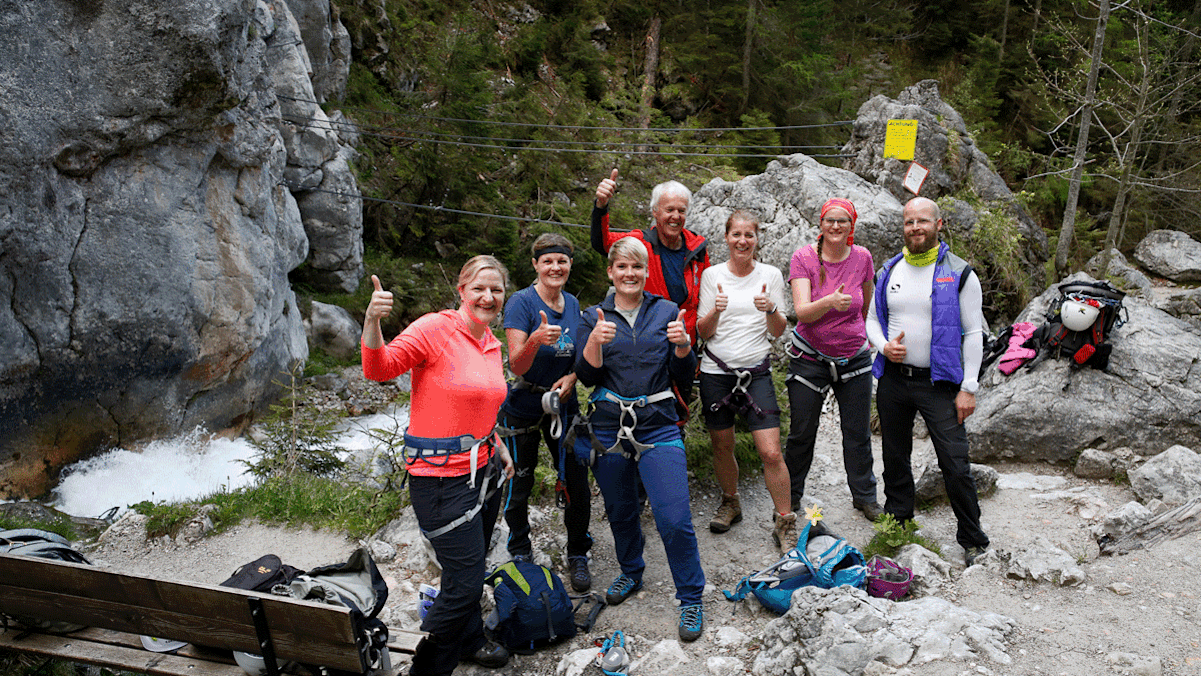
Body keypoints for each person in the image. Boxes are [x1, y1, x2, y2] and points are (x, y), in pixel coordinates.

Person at [361, 256, 516, 676]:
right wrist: (373, 322)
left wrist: (496, 442)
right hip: (441, 482)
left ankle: (468, 641)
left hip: (483, 474)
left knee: (466, 569)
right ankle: (426, 669)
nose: (488, 297)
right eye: (479, 288)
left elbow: (479, 404)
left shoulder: (490, 342)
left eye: (496, 290)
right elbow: (379, 368)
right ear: (462, 290)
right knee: (465, 584)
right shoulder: (435, 329)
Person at [573, 237, 707, 642]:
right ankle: (631, 571)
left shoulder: (665, 310)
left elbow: (683, 376)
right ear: (610, 272)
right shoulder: (592, 316)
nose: (630, 274)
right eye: (622, 267)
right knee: (620, 509)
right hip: (609, 426)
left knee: (673, 517)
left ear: (647, 272)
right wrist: (595, 341)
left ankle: (690, 597)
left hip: (658, 423)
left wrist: (684, 347)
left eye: (637, 267)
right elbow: (586, 377)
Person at [865, 197, 991, 567]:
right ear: (903, 226)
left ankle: (972, 539)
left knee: (954, 461)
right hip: (894, 380)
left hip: (941, 383)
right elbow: (872, 320)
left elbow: (973, 332)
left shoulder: (960, 272)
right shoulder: (889, 270)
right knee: (894, 457)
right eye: (909, 222)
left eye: (923, 221)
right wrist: (883, 346)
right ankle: (898, 527)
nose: (915, 227)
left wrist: (969, 386)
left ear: (939, 225)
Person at [695, 210, 797, 549]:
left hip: (755, 372)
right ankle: (731, 501)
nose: (742, 241)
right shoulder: (712, 276)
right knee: (722, 444)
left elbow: (779, 331)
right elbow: (702, 332)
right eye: (736, 234)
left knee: (770, 451)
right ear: (726, 237)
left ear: (757, 239)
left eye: (749, 235)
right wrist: (716, 310)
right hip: (716, 371)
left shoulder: (770, 275)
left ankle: (785, 520)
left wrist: (770, 308)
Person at [497, 233, 593, 592]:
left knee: (577, 482)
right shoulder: (520, 303)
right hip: (522, 404)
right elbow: (517, 365)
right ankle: (520, 551)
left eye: (562, 261)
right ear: (536, 265)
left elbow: (579, 358)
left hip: (563, 404)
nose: (555, 267)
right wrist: (535, 340)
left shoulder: (572, 303)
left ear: (569, 266)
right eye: (548, 261)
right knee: (518, 482)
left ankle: (578, 553)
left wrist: (572, 377)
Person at [785, 198, 882, 522]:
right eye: (831, 220)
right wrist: (829, 301)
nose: (836, 226)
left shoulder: (863, 257)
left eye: (843, 221)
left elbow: (866, 303)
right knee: (802, 431)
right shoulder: (803, 258)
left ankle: (865, 497)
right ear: (821, 224)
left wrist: (857, 330)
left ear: (851, 226)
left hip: (853, 357)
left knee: (857, 433)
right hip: (809, 357)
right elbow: (801, 312)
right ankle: (790, 495)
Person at [592, 168, 709, 343]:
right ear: (655, 211)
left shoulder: (697, 248)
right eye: (669, 209)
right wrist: (601, 206)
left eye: (681, 210)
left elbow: (706, 297)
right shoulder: (642, 242)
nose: (675, 216)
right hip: (649, 342)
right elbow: (604, 243)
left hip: (684, 344)